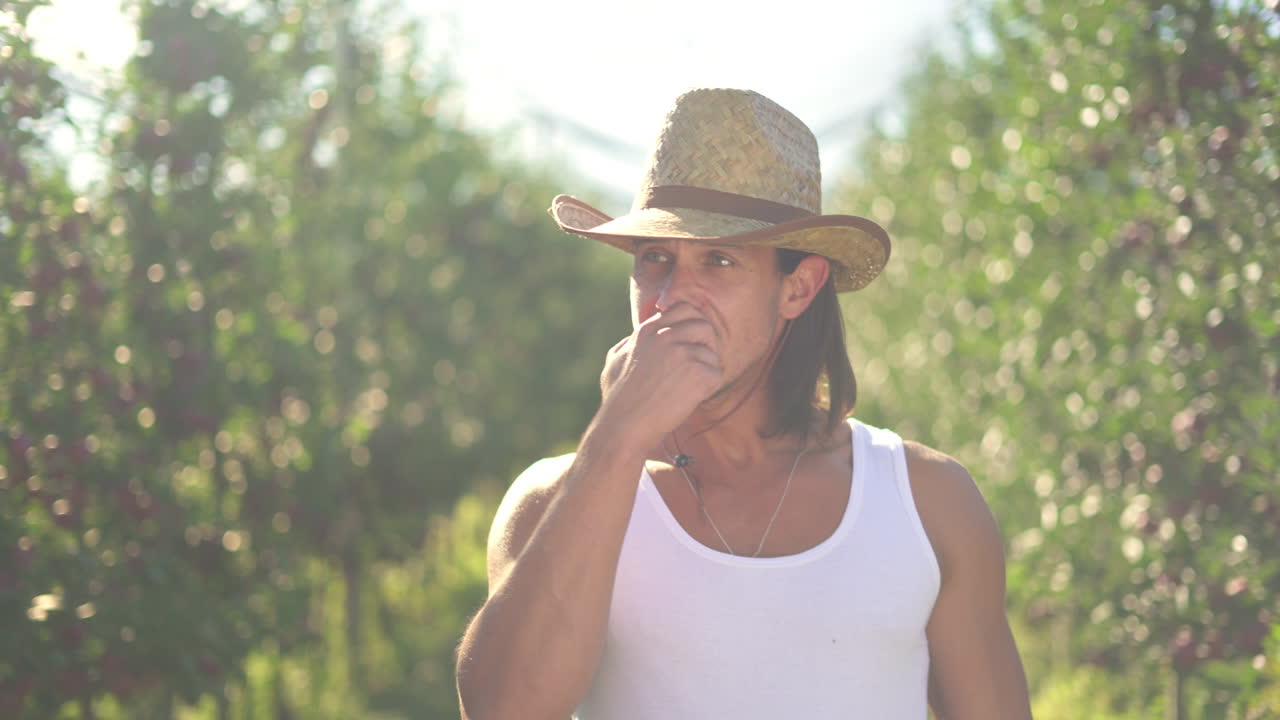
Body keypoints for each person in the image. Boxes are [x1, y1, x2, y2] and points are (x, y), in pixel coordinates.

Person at [455, 87, 1032, 719]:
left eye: (719, 260)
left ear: (799, 287)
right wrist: (617, 437)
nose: (674, 296)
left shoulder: (926, 502)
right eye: (655, 259)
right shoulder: (554, 500)